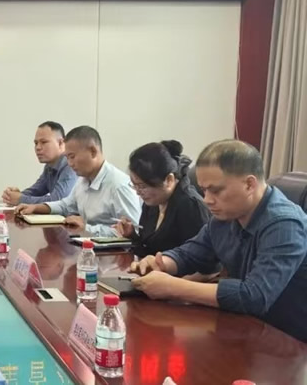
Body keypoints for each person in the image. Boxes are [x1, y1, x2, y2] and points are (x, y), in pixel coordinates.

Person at [131, 140, 307, 343]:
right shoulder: (226, 216)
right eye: (204, 190)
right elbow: (192, 252)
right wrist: (161, 263)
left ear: (249, 184)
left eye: (215, 191)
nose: (207, 199)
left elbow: (255, 296)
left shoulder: (284, 224)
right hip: (245, 328)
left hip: (288, 342)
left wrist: (173, 287)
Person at [16, 126, 141, 237]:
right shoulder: (83, 179)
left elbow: (134, 232)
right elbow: (66, 205)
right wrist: (35, 208)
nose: (70, 164)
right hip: (88, 247)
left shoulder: (118, 185)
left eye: (72, 157)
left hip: (115, 254)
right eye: (67, 158)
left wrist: (87, 228)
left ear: (93, 151)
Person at [114, 140, 210, 257]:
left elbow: (201, 259)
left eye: (143, 186)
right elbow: (149, 250)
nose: (138, 192)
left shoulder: (190, 206)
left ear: (169, 180)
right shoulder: (153, 202)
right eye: (135, 185)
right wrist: (131, 235)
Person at [1, 121, 76, 206]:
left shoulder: (70, 164)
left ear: (60, 143)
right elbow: (36, 191)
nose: (38, 147)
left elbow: (57, 200)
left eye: (44, 142)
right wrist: (15, 195)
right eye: (36, 143)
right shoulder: (49, 166)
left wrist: (20, 199)